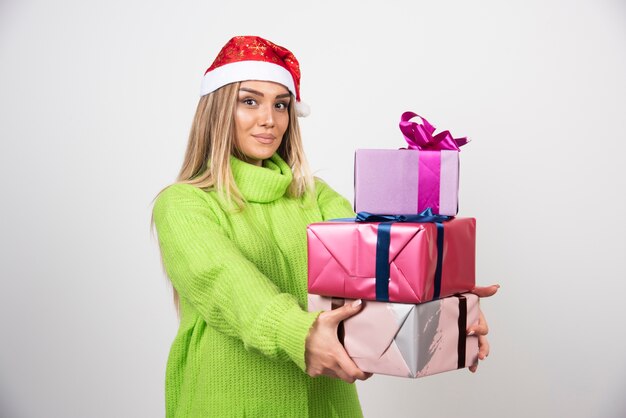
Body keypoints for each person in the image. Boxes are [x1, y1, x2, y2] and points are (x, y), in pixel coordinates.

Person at [152, 35, 497, 418]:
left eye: (281, 105)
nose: (269, 119)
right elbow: (228, 286)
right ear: (216, 111)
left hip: (327, 406)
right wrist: (302, 333)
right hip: (229, 402)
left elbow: (380, 264)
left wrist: (449, 305)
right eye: (249, 101)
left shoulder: (315, 197)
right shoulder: (184, 204)